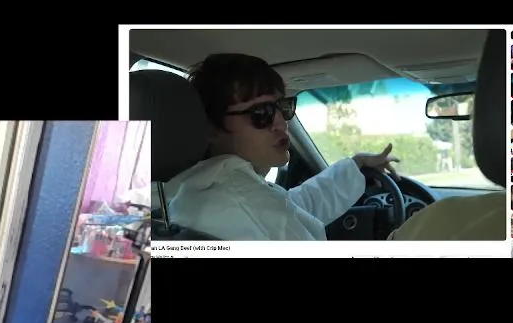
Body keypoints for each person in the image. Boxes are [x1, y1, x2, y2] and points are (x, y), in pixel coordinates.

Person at [164, 53, 399, 240]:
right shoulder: (242, 205)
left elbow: (295, 206)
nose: (281, 122)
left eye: (283, 107)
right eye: (262, 113)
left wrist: (356, 165)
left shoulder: (201, 192)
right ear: (213, 128)